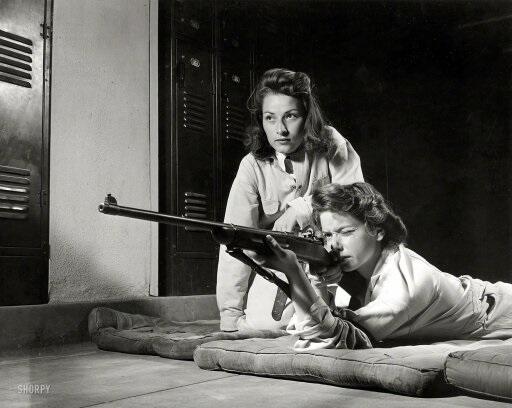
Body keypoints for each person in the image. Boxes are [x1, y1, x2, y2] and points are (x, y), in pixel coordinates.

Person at [260, 182, 512, 350]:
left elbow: (330, 337)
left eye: (346, 232)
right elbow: (325, 318)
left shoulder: (405, 288)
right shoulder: (374, 263)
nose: (334, 245)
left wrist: (294, 272)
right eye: (327, 235)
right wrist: (318, 278)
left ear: (378, 231)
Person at [217, 68, 364, 331]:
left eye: (291, 116)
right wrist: (229, 318)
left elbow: (357, 199)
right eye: (270, 118)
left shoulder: (331, 142)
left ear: (307, 116)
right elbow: (235, 241)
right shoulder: (251, 166)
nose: (281, 130)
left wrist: (303, 208)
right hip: (282, 266)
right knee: (266, 326)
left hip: (340, 261)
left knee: (363, 317)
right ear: (260, 121)